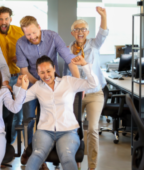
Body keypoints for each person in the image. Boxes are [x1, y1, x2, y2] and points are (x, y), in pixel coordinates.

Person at [16, 15, 81, 166]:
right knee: (29, 119)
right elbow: (24, 70)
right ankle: (32, 151)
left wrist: (77, 83)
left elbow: (69, 59)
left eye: (33, 32)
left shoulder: (52, 36)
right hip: (34, 83)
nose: (31, 37)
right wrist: (40, 85)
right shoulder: (20, 43)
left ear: (39, 27)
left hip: (52, 82)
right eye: (28, 34)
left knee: (54, 114)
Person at [14, 55, 98, 170]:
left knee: (67, 157)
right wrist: (18, 85)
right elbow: (19, 100)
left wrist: (84, 65)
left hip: (68, 130)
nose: (46, 75)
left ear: (54, 68)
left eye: (48, 71)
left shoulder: (68, 81)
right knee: (36, 155)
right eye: (42, 72)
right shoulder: (38, 86)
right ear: (38, 73)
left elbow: (93, 84)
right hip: (45, 131)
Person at [63, 7, 108, 170]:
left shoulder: (94, 45)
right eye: (76, 29)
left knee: (93, 129)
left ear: (88, 31)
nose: (80, 32)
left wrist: (103, 15)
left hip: (94, 94)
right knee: (74, 129)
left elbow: (103, 32)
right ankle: (76, 162)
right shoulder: (67, 50)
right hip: (76, 96)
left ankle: (92, 166)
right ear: (72, 33)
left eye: (83, 29)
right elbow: (66, 74)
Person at [0, 0, 24, 145]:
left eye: (6, 19)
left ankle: (9, 145)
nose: (3, 22)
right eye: (1, 19)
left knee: (17, 115)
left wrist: (21, 57)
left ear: (10, 19)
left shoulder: (19, 31)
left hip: (16, 78)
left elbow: (29, 46)